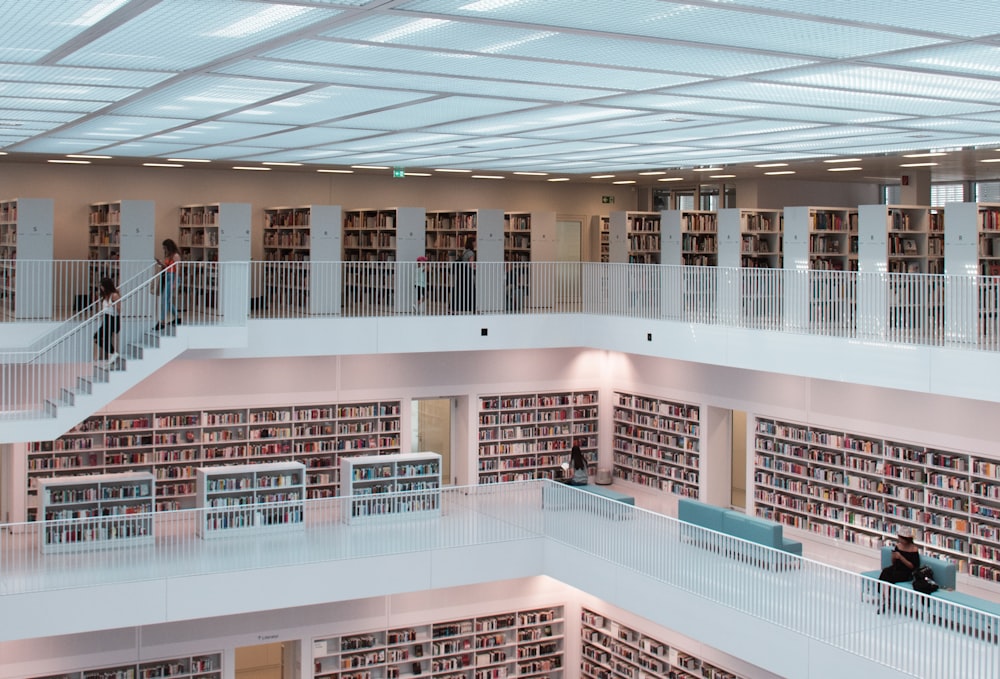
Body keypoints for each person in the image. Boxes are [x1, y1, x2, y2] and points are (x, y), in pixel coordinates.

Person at [877, 528, 920, 613]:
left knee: (890, 577)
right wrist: (894, 557)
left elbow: (913, 566)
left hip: (906, 572)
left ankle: (887, 599)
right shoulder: (898, 546)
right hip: (897, 567)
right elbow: (894, 562)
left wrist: (901, 557)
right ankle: (884, 598)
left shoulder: (914, 549)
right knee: (885, 572)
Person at [154, 238, 181, 331]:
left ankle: (162, 321)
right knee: (167, 300)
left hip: (173, 277)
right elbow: (168, 267)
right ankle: (177, 317)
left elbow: (177, 269)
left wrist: (175, 282)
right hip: (167, 276)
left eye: (165, 248)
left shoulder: (175, 256)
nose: (164, 250)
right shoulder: (169, 256)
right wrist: (161, 264)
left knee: (165, 300)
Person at [93, 277, 121, 367]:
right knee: (97, 337)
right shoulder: (106, 295)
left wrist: (112, 305)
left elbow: (119, 309)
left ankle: (113, 353)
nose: (101, 288)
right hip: (105, 318)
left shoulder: (114, 295)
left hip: (111, 318)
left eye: (102, 286)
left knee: (105, 337)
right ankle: (113, 353)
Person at [453, 236, 476, 313]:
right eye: (475, 242)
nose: (476, 243)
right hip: (468, 273)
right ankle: (469, 306)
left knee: (462, 289)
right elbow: (471, 265)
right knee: (470, 289)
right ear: (472, 243)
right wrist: (476, 267)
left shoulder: (465, 251)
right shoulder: (471, 253)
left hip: (462, 273)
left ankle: (460, 306)